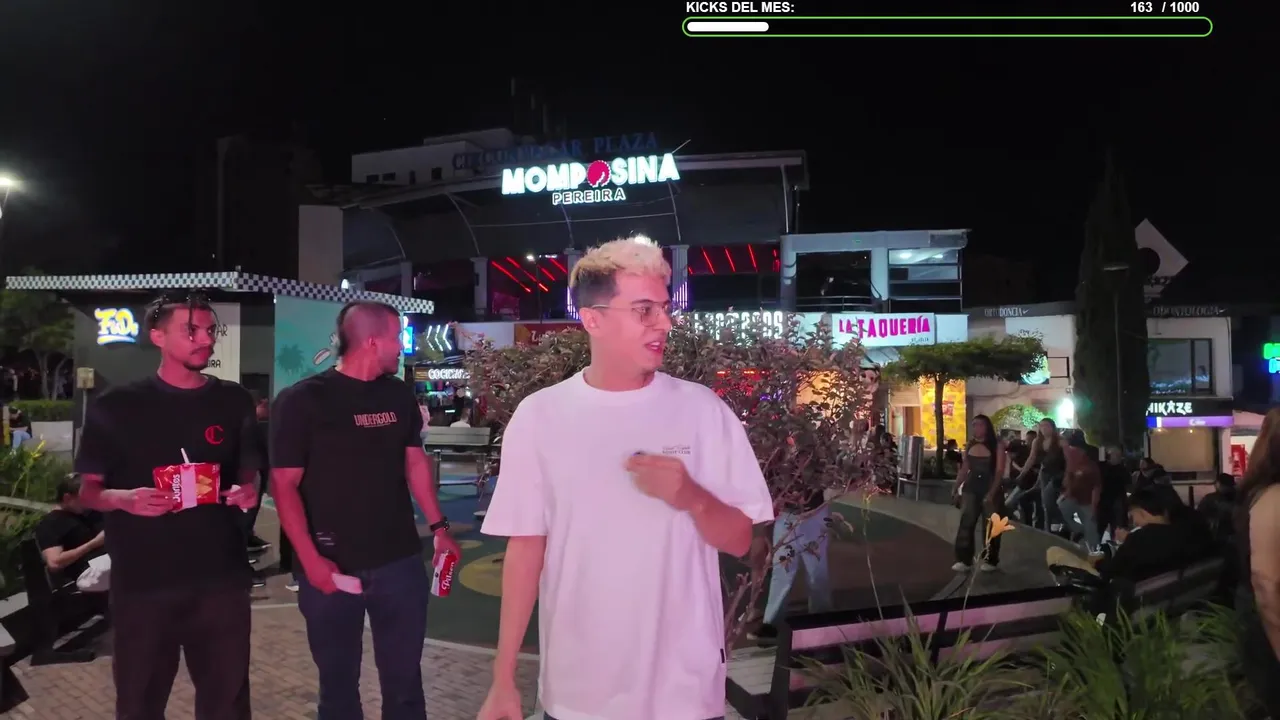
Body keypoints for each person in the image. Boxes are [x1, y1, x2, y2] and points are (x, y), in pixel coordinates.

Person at [477, 239, 773, 720]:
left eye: (664, 308)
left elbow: (743, 540)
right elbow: (526, 549)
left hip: (685, 694)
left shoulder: (703, 411)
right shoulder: (540, 417)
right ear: (593, 319)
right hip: (579, 694)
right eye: (644, 310)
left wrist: (694, 498)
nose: (665, 323)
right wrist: (503, 676)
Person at [271, 300, 462, 720]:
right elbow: (283, 486)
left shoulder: (398, 394)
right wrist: (311, 562)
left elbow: (414, 462)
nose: (402, 348)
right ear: (372, 341)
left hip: (399, 562)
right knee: (338, 690)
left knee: (405, 686)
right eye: (396, 338)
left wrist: (439, 527)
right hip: (331, 567)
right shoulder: (302, 401)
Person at [75, 293, 260, 720]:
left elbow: (250, 471)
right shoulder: (116, 406)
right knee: (139, 703)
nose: (205, 340)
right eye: (191, 331)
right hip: (145, 583)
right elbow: (89, 491)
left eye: (210, 330)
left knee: (228, 704)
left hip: (221, 580)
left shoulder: (233, 400)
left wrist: (248, 491)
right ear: (157, 336)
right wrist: (123, 499)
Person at [1046, 485, 1212, 583]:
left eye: (1133, 517)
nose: (1134, 523)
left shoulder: (1142, 538)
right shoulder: (1195, 528)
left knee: (1055, 553)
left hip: (1129, 596)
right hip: (1166, 590)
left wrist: (1099, 561)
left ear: (1142, 511)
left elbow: (1112, 571)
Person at [951, 414, 1008, 572]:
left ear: (987, 427)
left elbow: (999, 471)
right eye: (974, 424)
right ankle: (964, 559)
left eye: (980, 424)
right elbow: (965, 468)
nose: (977, 428)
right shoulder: (970, 444)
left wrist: (992, 492)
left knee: (990, 525)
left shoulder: (997, 445)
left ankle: (990, 559)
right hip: (972, 485)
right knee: (966, 521)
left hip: (990, 484)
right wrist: (956, 486)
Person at [34, 474, 109, 591]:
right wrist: (94, 543)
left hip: (109, 561)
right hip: (89, 571)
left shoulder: (89, 513)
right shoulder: (50, 523)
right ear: (67, 498)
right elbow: (54, 563)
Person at [1012, 418, 1067, 532]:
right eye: (1041, 426)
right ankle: (1047, 529)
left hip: (1058, 475)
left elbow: (1069, 460)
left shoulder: (1060, 441)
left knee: (1048, 501)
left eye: (1046, 426)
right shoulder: (1037, 441)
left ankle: (1062, 523)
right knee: (1044, 503)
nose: (1044, 428)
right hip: (1044, 474)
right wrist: (1022, 474)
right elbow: (1031, 459)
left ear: (1053, 427)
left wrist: (1068, 476)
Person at [1059, 444, 1102, 553]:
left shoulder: (1091, 467)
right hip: (1073, 498)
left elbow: (1096, 488)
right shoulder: (1072, 463)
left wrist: (1094, 505)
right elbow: (1067, 481)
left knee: (1090, 527)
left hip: (1087, 502)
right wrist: (1066, 493)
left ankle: (1093, 551)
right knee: (1060, 507)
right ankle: (1079, 530)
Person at [1097, 446, 1131, 539]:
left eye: (1118, 455)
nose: (1118, 457)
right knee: (1102, 527)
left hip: (1114, 500)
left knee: (1116, 527)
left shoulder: (1121, 469)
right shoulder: (1103, 467)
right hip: (1106, 501)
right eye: (1116, 455)